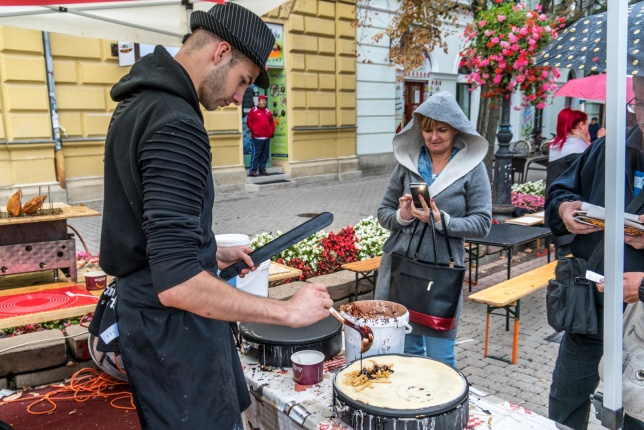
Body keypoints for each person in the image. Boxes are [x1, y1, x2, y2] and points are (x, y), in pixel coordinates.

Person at [98, 4, 333, 429]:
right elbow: (179, 284)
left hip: (151, 324)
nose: (239, 98)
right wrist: (286, 311)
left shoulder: (139, 104)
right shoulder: (175, 124)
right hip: (174, 333)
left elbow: (148, 230)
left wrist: (208, 252)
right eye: (243, 81)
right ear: (221, 52)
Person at [546, 75, 644, 430]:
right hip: (591, 307)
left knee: (636, 414)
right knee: (564, 402)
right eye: (640, 104)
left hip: (641, 321)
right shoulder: (609, 147)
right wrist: (564, 211)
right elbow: (557, 193)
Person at [374, 91, 492, 368]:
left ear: (455, 130)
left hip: (440, 274)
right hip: (401, 269)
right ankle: (413, 408)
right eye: (428, 130)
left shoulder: (472, 168)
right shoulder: (408, 164)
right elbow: (383, 213)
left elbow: (482, 224)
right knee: (407, 354)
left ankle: (443, 409)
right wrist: (402, 216)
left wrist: (441, 220)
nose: (434, 137)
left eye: (442, 130)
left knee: (441, 360)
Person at [246, 94, 275, 176]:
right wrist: (254, 130)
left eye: (265, 101)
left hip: (266, 137)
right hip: (257, 137)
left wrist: (271, 131)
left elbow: (272, 123)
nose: (264, 102)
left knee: (265, 155)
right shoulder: (253, 110)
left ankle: (262, 169)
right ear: (258, 101)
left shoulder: (268, 112)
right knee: (256, 154)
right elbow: (249, 121)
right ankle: (253, 171)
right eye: (262, 100)